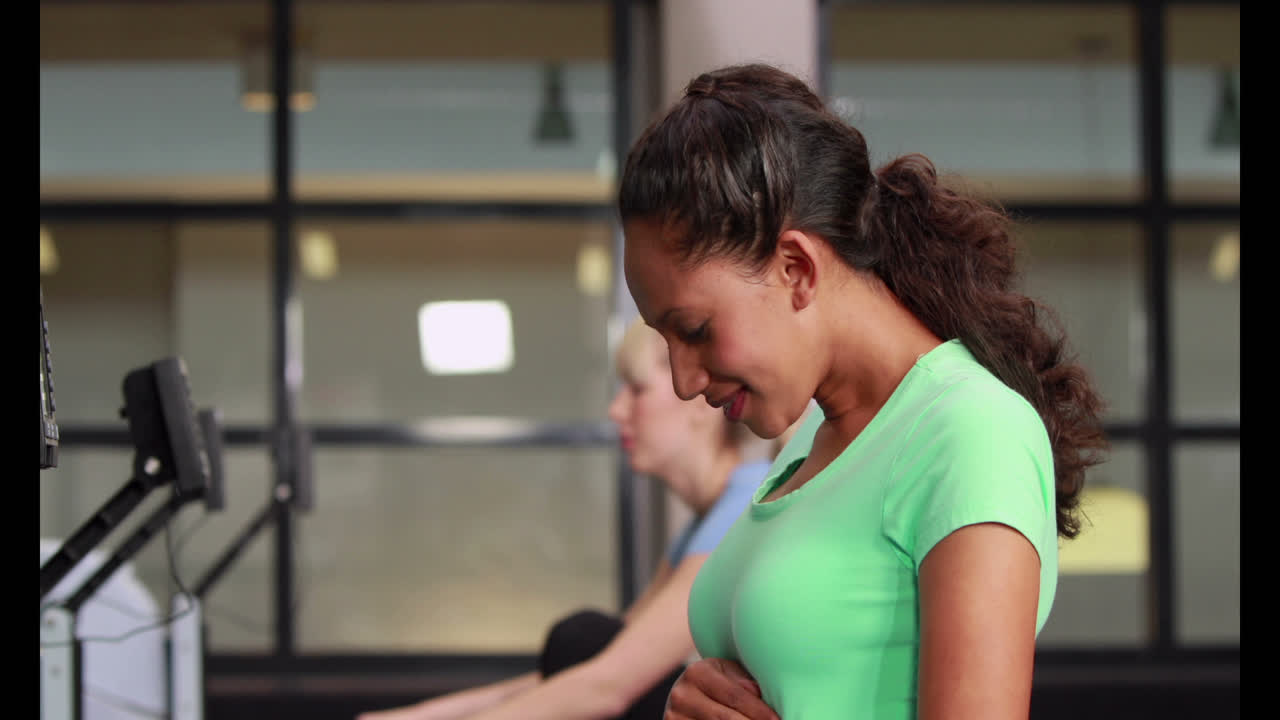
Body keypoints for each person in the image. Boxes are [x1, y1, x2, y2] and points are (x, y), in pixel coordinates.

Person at [616, 63, 1110, 719]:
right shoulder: (812, 447)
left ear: (795, 268)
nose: (683, 379)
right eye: (665, 340)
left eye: (696, 330)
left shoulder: (971, 431)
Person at [356, 317, 788, 720]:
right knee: (583, 645)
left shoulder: (742, 511)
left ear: (697, 398)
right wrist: (420, 715)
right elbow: (579, 676)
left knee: (580, 638)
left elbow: (606, 685)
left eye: (636, 390)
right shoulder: (701, 526)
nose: (617, 410)